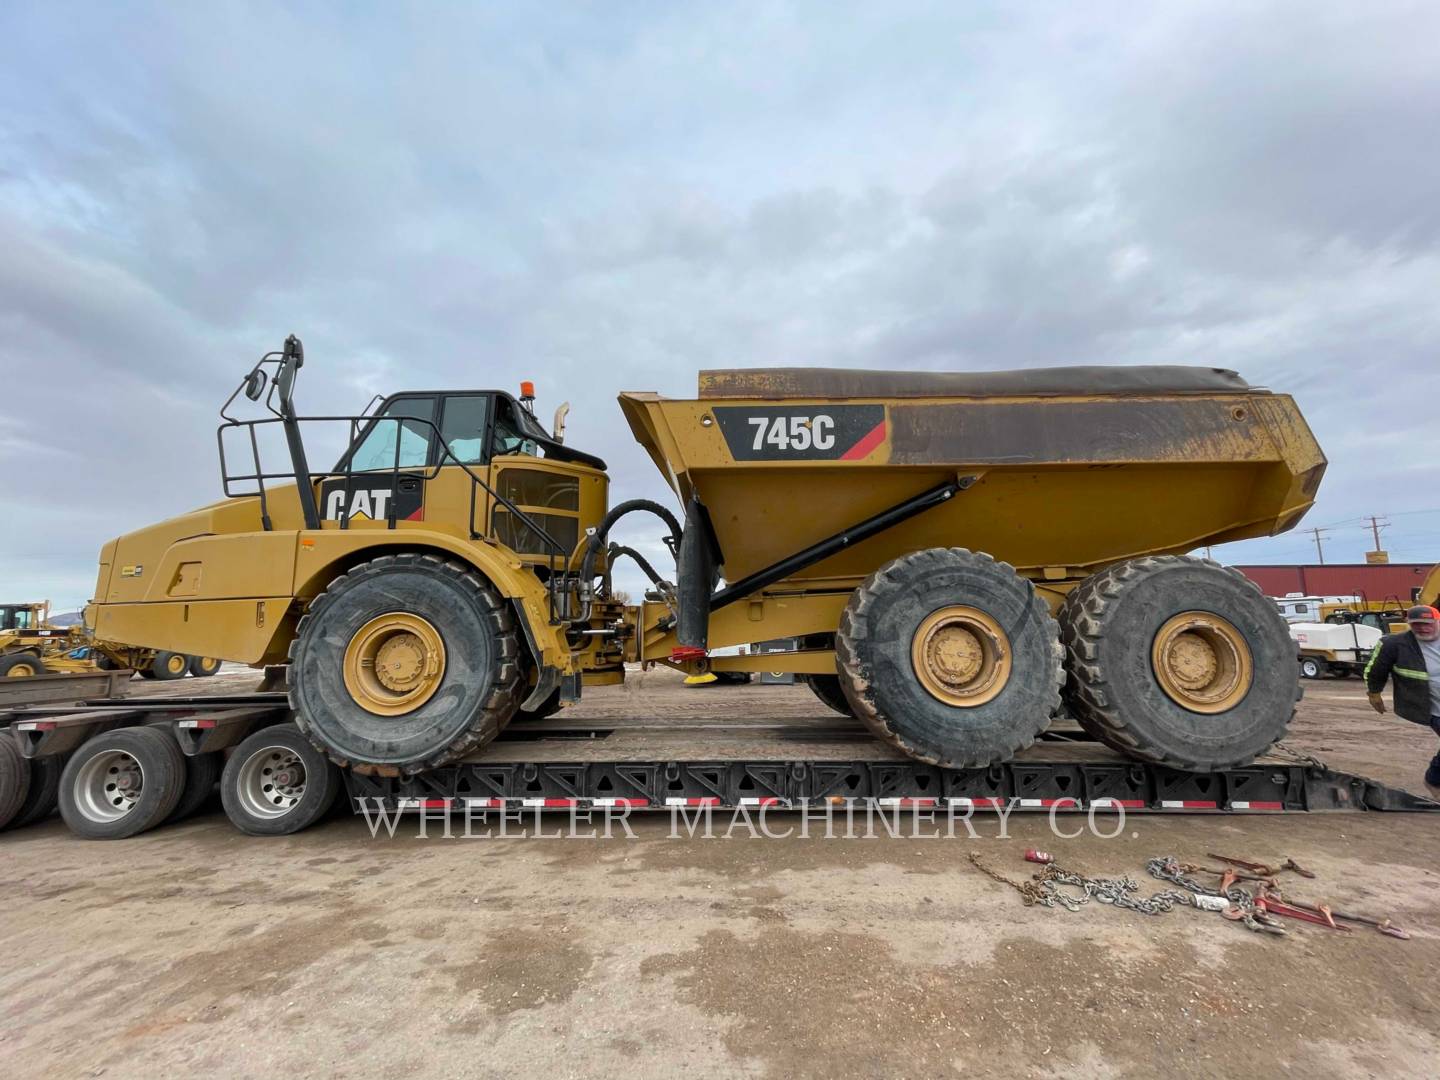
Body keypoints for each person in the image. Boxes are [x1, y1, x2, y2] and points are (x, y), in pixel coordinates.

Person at [1364, 604, 1440, 796]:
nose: (1422, 628)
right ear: (1408, 624)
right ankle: (1434, 781)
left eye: (1427, 623)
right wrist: (1374, 692)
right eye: (1416, 624)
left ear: (1437, 622)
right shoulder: (1395, 644)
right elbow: (1376, 669)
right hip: (1431, 707)